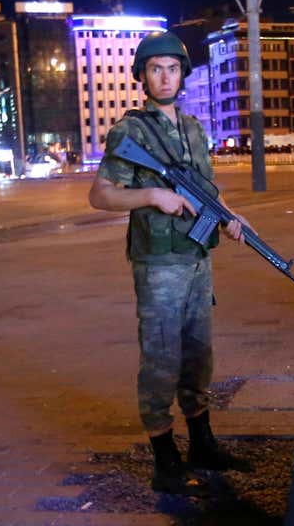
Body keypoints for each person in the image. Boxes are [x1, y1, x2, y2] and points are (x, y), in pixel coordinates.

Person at [88, 33, 250, 494]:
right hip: (159, 263)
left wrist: (230, 217)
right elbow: (100, 194)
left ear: (183, 74)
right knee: (161, 357)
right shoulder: (130, 132)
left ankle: (202, 442)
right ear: (142, 75)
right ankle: (164, 455)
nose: (165, 77)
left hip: (197, 259)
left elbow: (206, 191)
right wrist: (152, 196)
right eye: (155, 69)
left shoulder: (195, 129)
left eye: (173, 69)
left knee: (199, 353)